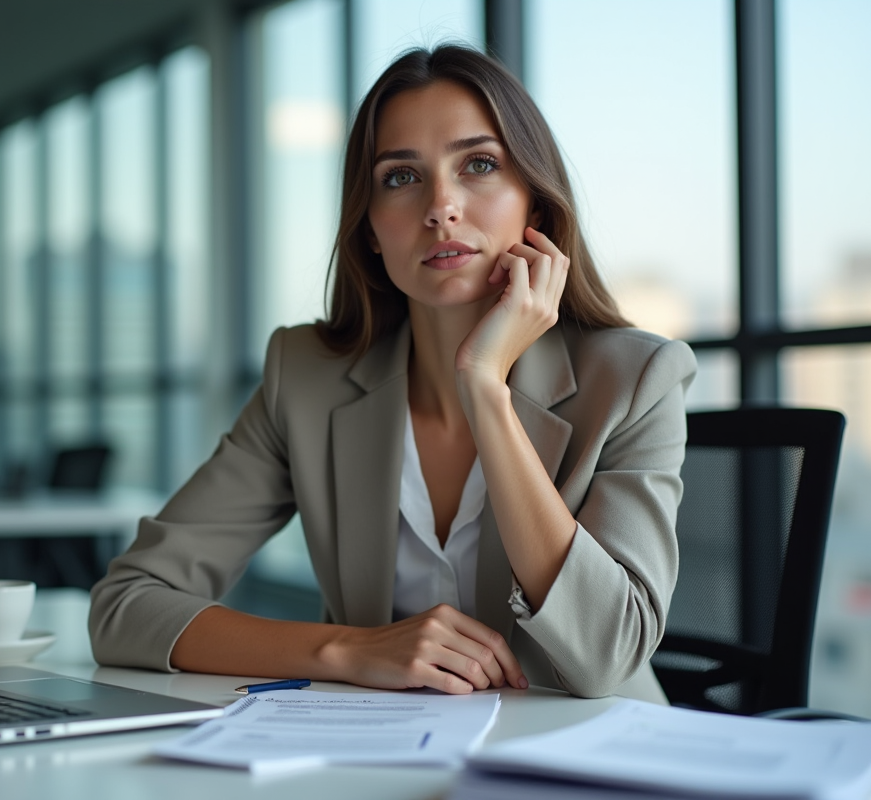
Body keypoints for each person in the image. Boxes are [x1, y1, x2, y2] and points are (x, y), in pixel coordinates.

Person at [89, 45, 696, 701]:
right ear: (372, 230)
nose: (441, 207)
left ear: (536, 212)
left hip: (586, 762)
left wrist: (485, 387)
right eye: (401, 178)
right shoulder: (307, 379)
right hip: (379, 758)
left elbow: (607, 655)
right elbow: (125, 607)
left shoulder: (636, 379)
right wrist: (348, 649)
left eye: (480, 165)